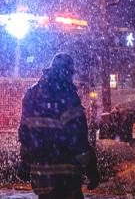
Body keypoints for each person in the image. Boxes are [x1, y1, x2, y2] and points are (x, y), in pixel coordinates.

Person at [17, 53, 100, 199]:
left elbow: (25, 132)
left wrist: (24, 162)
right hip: (67, 177)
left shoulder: (32, 93)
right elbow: (78, 139)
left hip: (41, 176)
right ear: (68, 72)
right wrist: (91, 168)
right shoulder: (68, 96)